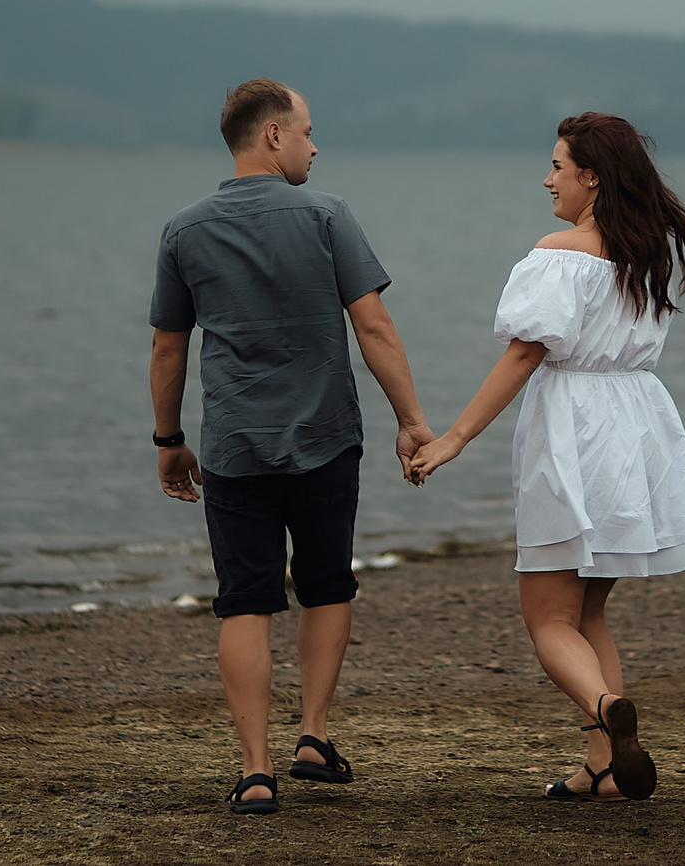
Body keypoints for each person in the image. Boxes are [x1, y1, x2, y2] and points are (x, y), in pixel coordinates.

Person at [408, 110, 685, 803]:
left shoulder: (561, 252)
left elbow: (524, 353)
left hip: (574, 429)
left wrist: (453, 438)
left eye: (557, 167)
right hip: (634, 429)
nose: (547, 180)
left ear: (592, 178)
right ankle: (603, 767)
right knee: (590, 616)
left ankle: (607, 714)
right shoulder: (647, 253)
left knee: (549, 620)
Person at [148, 77, 431, 817]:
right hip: (326, 441)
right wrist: (411, 419)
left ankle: (255, 771)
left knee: (245, 602)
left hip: (235, 447)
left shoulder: (185, 229)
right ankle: (313, 735)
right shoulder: (328, 216)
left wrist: (169, 439)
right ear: (273, 135)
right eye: (307, 131)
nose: (314, 144)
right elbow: (374, 328)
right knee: (327, 583)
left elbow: (167, 350)